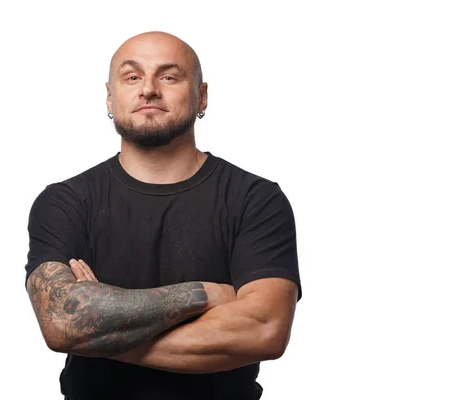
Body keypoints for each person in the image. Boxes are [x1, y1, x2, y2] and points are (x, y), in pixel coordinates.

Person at [24, 31, 302, 400]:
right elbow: (60, 321)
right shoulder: (64, 202)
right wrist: (205, 295)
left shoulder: (255, 199)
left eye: (169, 76)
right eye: (132, 77)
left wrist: (100, 329)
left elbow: (264, 329)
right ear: (110, 96)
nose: (149, 89)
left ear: (201, 96)